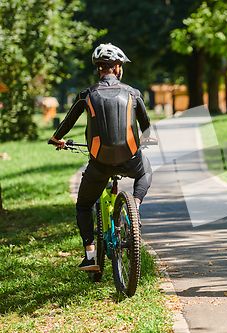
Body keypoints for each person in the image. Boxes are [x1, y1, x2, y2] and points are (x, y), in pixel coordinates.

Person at [50, 43, 153, 270]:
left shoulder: (86, 95)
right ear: (117, 69)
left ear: (99, 69)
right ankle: (134, 205)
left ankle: (90, 256)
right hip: (131, 160)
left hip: (100, 164)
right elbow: (146, 127)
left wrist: (57, 139)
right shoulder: (133, 93)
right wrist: (146, 139)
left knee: (84, 206)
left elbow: (67, 122)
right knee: (146, 170)